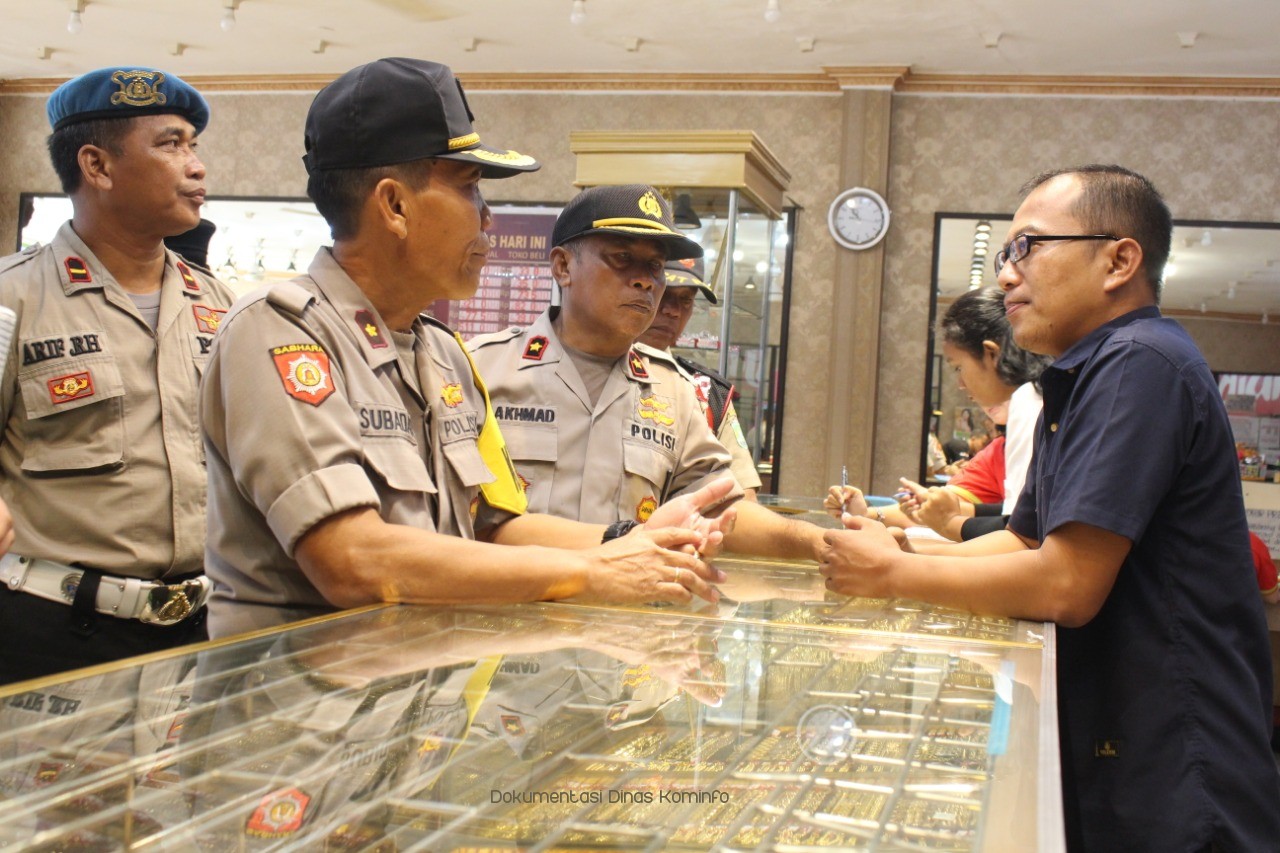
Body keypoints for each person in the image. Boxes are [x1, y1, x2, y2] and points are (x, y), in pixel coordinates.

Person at [818, 164, 1280, 850]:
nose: (1007, 274)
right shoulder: (1089, 373)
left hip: (1176, 758)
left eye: (1029, 247)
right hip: (1122, 737)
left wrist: (892, 577)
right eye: (1007, 253)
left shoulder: (1139, 362)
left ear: (1119, 258)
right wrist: (902, 553)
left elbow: (1066, 582)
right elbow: (1024, 540)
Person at [200, 59, 739, 640]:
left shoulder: (443, 354)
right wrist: (592, 571)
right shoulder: (281, 333)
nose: (487, 216)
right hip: (298, 710)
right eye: (468, 187)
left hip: (414, 695)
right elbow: (354, 558)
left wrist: (633, 542)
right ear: (395, 206)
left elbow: (493, 524)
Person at [0, 66, 234, 684]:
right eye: (170, 143)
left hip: (199, 630)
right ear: (97, 166)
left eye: (194, 144)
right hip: (50, 631)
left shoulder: (222, 306)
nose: (196, 164)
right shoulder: (12, 299)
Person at [469, 184, 826, 560]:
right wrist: (623, 541)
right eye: (622, 258)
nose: (645, 281)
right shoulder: (481, 370)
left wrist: (818, 543)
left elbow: (722, 506)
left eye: (655, 266)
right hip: (497, 612)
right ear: (563, 266)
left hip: (623, 613)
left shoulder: (675, 392)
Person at [637, 257, 762, 497]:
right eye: (664, 295)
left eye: (686, 300)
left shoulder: (708, 392)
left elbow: (743, 497)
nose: (673, 311)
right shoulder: (595, 370)